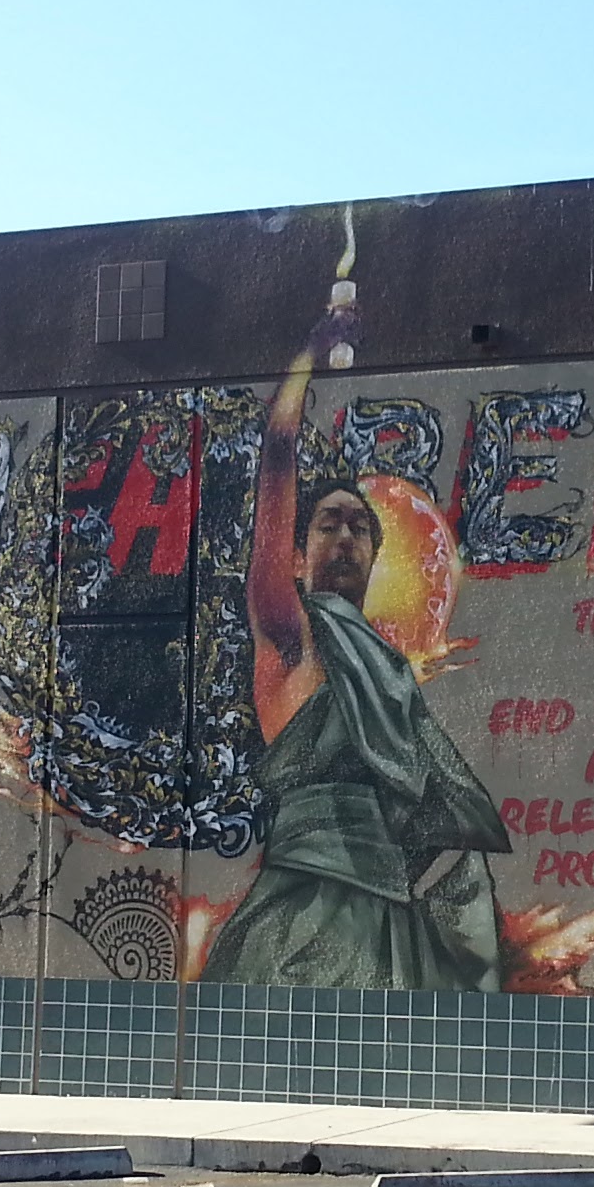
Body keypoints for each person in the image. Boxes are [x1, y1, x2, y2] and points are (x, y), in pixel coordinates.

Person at [200, 289, 510, 991]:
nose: (344, 536)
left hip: (390, 924)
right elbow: (277, 463)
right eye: (328, 525)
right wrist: (305, 362)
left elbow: (428, 798)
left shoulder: (386, 668)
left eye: (359, 527)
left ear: (374, 555)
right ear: (297, 556)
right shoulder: (291, 635)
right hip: (298, 923)